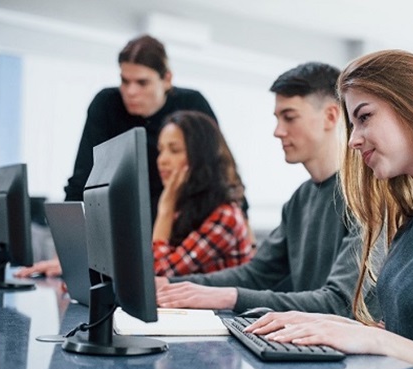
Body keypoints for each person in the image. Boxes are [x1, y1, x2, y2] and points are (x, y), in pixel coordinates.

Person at [243, 50, 413, 369]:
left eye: (364, 117)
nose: (353, 140)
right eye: (352, 124)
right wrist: (327, 324)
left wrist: (377, 340)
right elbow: (412, 337)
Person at [15, 34, 248, 278]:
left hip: (180, 220)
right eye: (124, 81)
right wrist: (70, 254)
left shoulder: (191, 105)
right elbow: (83, 178)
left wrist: (242, 221)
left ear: (166, 79)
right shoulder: (107, 104)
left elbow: (221, 164)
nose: (131, 91)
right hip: (130, 228)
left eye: (142, 82)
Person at [155, 62, 377, 317]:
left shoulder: (366, 196)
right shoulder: (300, 200)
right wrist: (171, 286)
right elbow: (257, 274)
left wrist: (229, 297)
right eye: (277, 119)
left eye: (290, 117)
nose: (278, 131)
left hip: (351, 353)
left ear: (330, 116)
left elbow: (339, 303)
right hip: (309, 341)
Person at [153, 110, 254, 276]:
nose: (162, 160)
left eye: (174, 150)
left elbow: (160, 274)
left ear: (199, 156)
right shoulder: (186, 208)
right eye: (161, 150)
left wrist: (165, 209)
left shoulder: (225, 216)